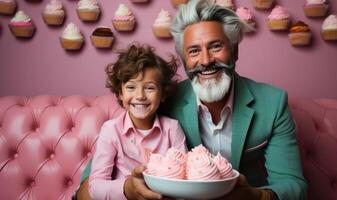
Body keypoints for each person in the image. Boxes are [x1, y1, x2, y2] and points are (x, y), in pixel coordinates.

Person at [77, 0, 307, 199]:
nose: (206, 60)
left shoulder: (273, 103)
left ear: (235, 50)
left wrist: (254, 197)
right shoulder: (161, 98)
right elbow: (88, 187)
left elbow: (294, 186)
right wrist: (128, 190)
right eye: (194, 51)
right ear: (184, 59)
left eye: (216, 46)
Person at [86, 43, 187, 200]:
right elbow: (95, 187)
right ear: (120, 93)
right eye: (131, 87)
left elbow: (184, 178)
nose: (140, 96)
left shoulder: (172, 129)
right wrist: (128, 189)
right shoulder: (111, 130)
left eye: (150, 88)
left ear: (163, 94)